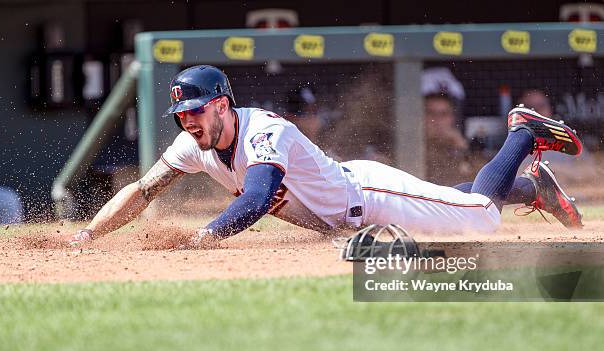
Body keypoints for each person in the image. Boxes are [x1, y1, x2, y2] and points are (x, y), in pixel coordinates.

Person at [70, 65, 584, 248]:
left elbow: (258, 195)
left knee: (479, 222)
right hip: (352, 210)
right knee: (453, 201)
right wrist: (89, 233)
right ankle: (531, 187)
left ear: (222, 105)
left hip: (369, 198)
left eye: (197, 113)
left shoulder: (263, 132)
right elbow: (141, 191)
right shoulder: (193, 143)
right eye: (182, 117)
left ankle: (521, 133)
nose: (189, 123)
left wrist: (206, 236)